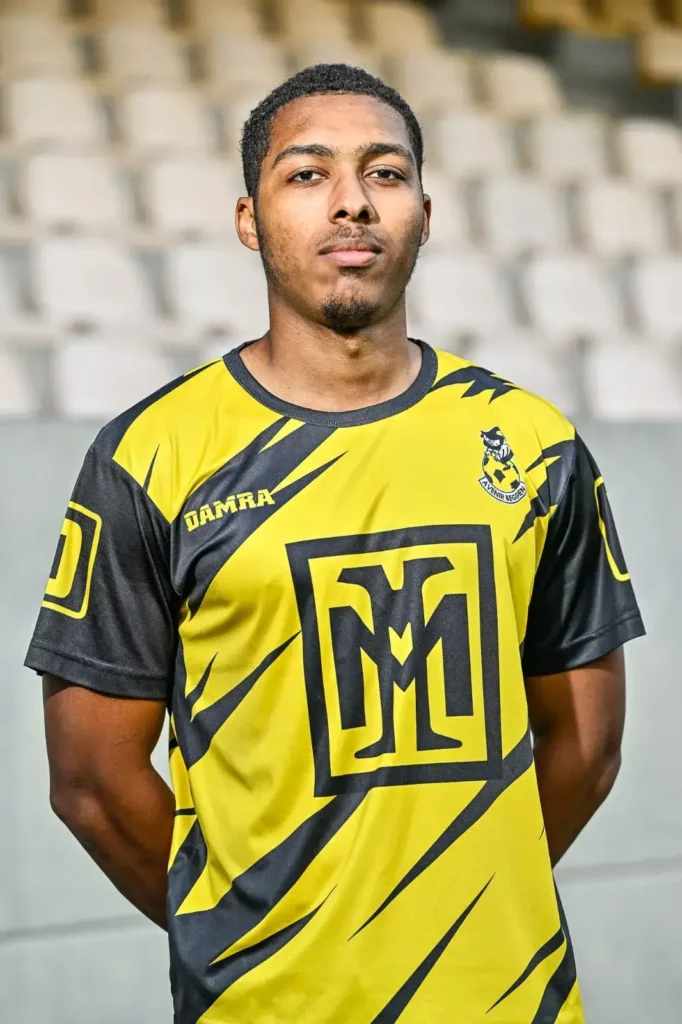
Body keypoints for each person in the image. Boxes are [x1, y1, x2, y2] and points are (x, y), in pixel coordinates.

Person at [26, 64, 645, 1024]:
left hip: (507, 1002)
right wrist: (249, 941)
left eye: (385, 174)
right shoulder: (150, 458)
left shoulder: (534, 444)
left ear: (426, 214)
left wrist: (453, 908)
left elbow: (588, 748)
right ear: (248, 219)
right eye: (307, 174)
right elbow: (94, 786)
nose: (351, 201)